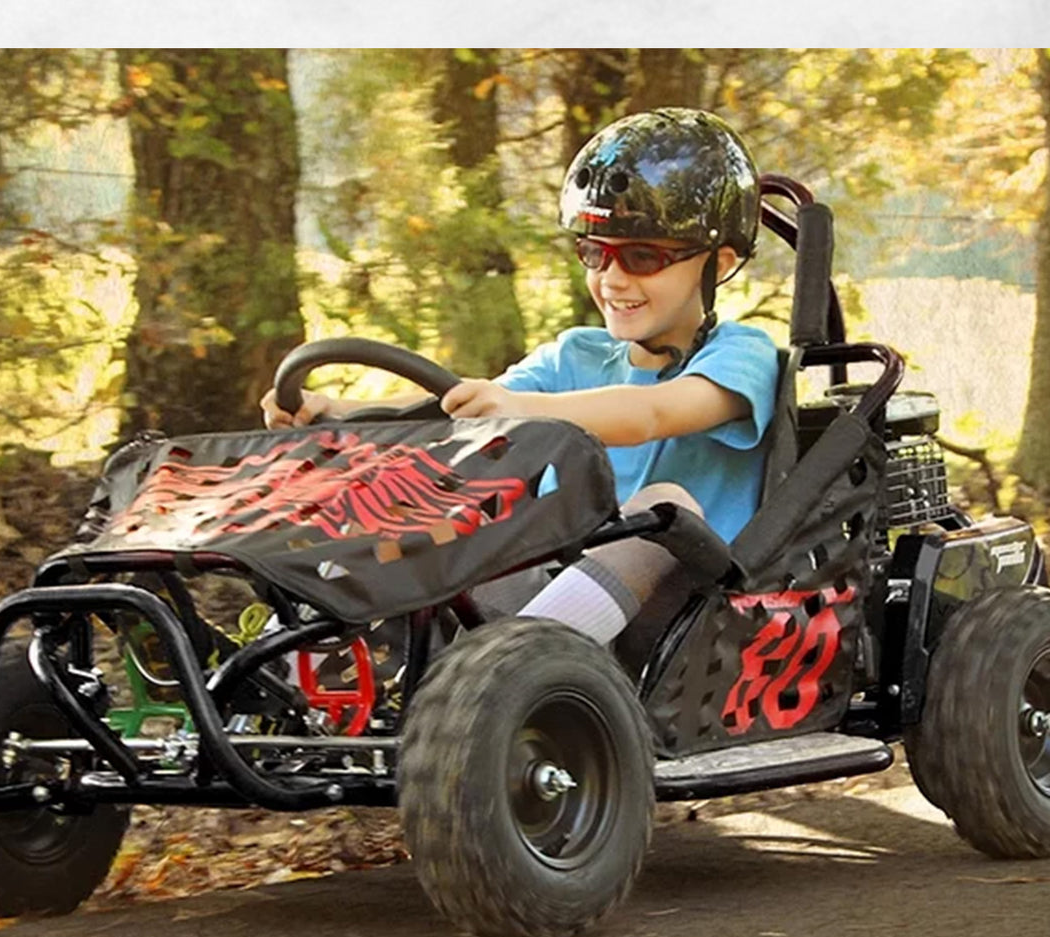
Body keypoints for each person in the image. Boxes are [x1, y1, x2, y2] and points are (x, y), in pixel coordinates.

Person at [262, 108, 779, 647]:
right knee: (405, 506)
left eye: (643, 257)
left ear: (717, 266)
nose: (611, 278)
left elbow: (653, 413)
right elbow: (464, 402)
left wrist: (523, 408)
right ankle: (294, 681)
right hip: (556, 592)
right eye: (594, 252)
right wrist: (336, 412)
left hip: (685, 619)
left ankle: (518, 671)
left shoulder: (743, 354)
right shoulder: (575, 355)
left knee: (663, 510)